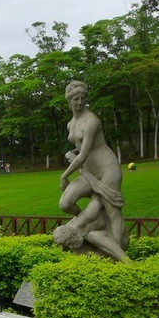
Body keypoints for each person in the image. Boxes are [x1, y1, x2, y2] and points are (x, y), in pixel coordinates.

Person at [57, 80, 127, 261]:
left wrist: (65, 176)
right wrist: (71, 152)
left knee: (113, 211)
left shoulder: (91, 121)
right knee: (65, 203)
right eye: (76, 99)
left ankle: (117, 252)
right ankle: (88, 223)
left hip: (106, 169)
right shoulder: (71, 124)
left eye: (82, 99)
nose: (80, 103)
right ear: (69, 101)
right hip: (88, 172)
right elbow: (80, 150)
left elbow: (84, 154)